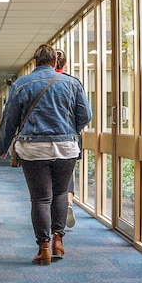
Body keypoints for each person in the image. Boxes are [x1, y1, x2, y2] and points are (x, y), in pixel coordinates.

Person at [0, 44, 91, 265]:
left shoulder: (21, 84)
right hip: (66, 148)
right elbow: (85, 115)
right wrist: (68, 130)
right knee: (59, 195)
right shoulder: (72, 83)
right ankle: (59, 239)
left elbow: (10, 118)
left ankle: (44, 247)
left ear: (35, 61)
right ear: (55, 62)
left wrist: (2, 147)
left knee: (40, 199)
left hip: (33, 149)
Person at [54, 48, 78, 228]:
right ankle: (68, 202)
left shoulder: (37, 82)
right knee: (67, 174)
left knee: (47, 176)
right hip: (69, 137)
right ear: (66, 64)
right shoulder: (72, 83)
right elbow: (84, 114)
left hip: (42, 139)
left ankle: (53, 211)